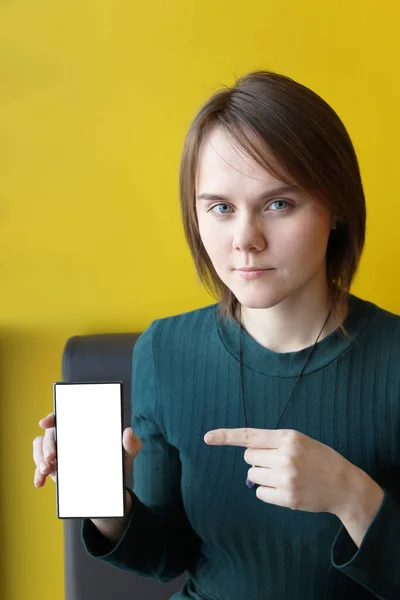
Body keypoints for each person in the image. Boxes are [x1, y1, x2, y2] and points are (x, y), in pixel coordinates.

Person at [33, 70, 400, 599]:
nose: (245, 239)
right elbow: (171, 556)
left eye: (279, 203)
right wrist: (107, 504)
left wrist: (351, 495)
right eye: (221, 208)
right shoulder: (164, 352)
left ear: (336, 206)